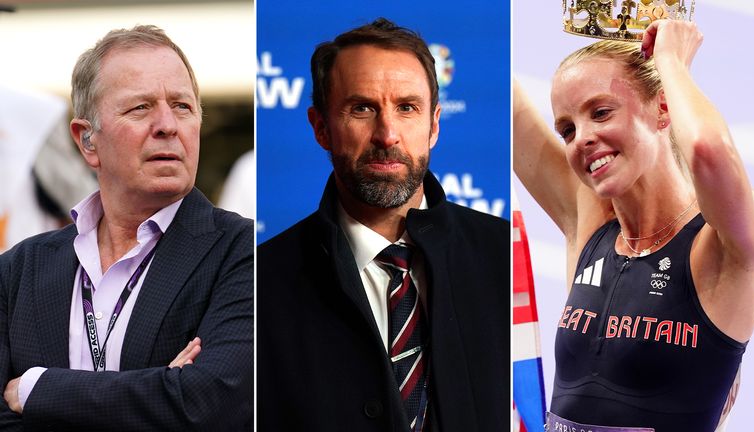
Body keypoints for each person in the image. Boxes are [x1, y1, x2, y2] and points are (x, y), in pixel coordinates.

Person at [514, 20, 754, 432]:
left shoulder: (725, 245)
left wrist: (670, 58)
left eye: (601, 112)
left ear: (664, 108)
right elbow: (509, 103)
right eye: (567, 129)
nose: (582, 139)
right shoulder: (589, 223)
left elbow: (706, 149)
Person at [257, 18, 510, 432]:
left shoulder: (504, 256)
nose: (387, 134)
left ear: (434, 125)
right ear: (321, 127)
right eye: (362, 108)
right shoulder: (263, 282)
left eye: (407, 108)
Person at [0, 25, 253, 431]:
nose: (168, 125)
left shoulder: (246, 254)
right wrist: (161, 390)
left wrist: (37, 389)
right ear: (87, 141)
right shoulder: (18, 271)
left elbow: (208, 403)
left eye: (183, 107)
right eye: (141, 108)